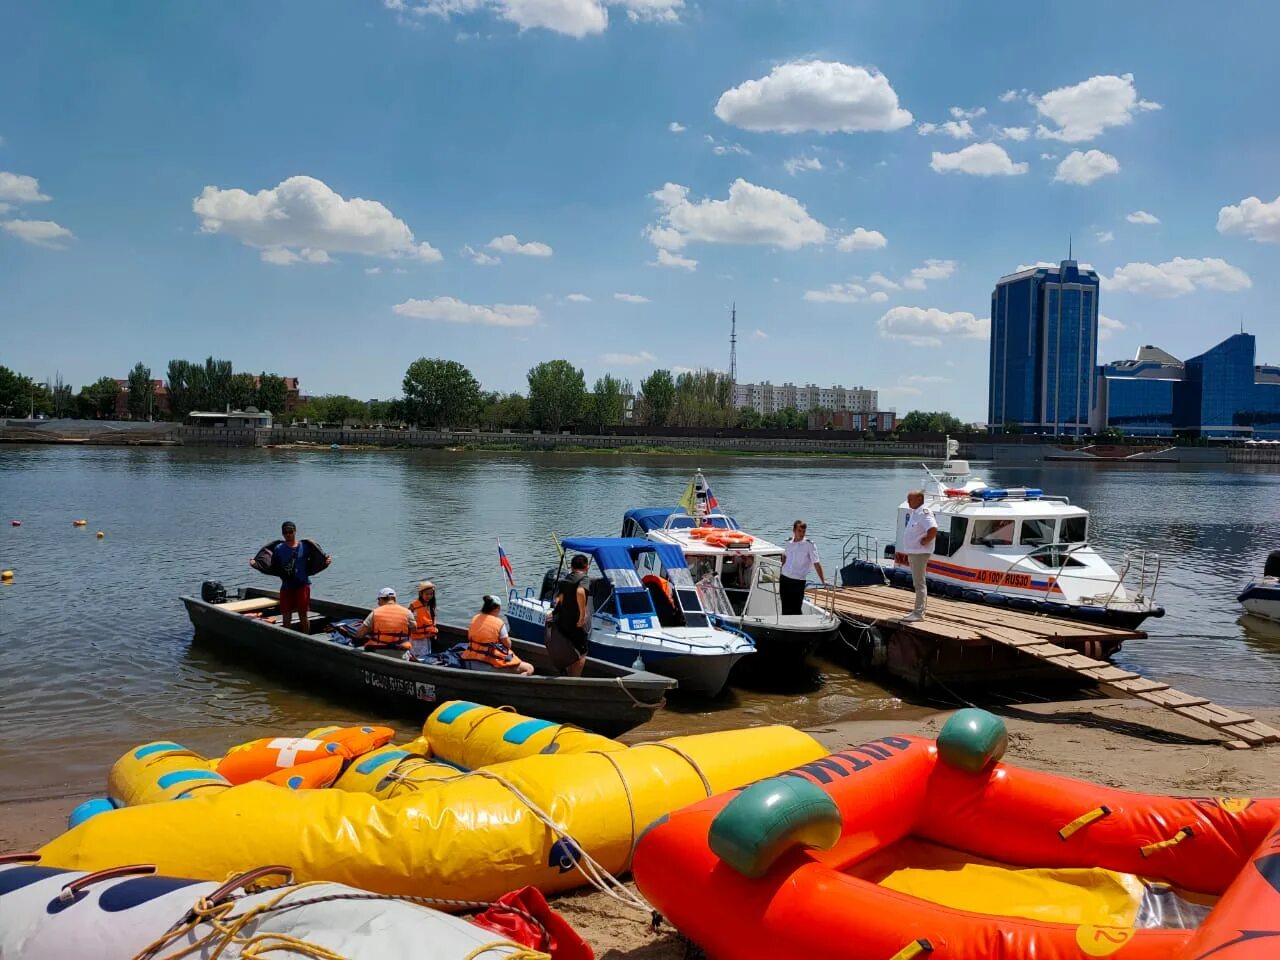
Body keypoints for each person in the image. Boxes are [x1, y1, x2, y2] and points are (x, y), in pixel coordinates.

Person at [249, 521, 331, 634]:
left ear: (295, 531)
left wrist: (325, 562)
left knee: (303, 615)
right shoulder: (278, 548)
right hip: (287, 587)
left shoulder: (305, 546)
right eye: (285, 532)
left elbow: (318, 557)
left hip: (302, 585)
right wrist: (256, 564)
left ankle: (306, 638)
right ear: (282, 534)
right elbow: (272, 566)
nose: (288, 534)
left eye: (290, 532)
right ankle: (288, 639)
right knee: (286, 616)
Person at [464, 596, 534, 675]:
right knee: (529, 668)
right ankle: (515, 684)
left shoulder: (475, 618)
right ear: (496, 608)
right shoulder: (498, 623)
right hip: (488, 665)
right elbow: (508, 645)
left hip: (469, 662)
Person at [546, 554, 591, 677]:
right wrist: (582, 616)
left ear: (571, 567)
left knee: (569, 649)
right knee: (581, 652)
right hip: (575, 622)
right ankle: (574, 680)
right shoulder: (584, 578)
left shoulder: (565, 580)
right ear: (587, 567)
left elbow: (559, 599)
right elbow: (580, 592)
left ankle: (567, 675)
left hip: (563, 621)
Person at [901, 489, 939, 622]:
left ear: (919, 499)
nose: (908, 501)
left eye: (910, 499)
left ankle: (919, 613)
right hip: (915, 552)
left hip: (920, 553)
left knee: (919, 583)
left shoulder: (924, 513)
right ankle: (918, 611)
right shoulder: (915, 512)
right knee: (917, 582)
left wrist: (926, 540)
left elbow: (933, 529)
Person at [780, 520, 826, 615]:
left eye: (803, 531)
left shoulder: (809, 545)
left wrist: (823, 581)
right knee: (785, 606)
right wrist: (779, 570)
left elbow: (816, 563)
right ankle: (786, 627)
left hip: (798, 580)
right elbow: (784, 557)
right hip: (784, 578)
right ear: (794, 530)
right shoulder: (788, 542)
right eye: (799, 531)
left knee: (796, 608)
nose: (801, 534)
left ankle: (797, 626)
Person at [355, 587, 413, 653]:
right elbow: (414, 629)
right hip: (401, 653)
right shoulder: (407, 612)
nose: (378, 603)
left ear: (381, 599)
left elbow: (359, 634)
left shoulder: (375, 612)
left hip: (379, 651)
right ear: (395, 599)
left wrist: (371, 631)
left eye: (378, 600)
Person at [408, 580, 438, 658]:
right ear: (421, 594)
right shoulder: (414, 606)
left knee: (426, 655)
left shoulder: (431, 606)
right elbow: (408, 620)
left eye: (431, 594)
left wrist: (433, 632)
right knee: (417, 656)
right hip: (416, 639)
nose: (429, 596)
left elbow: (433, 620)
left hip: (427, 637)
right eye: (426, 594)